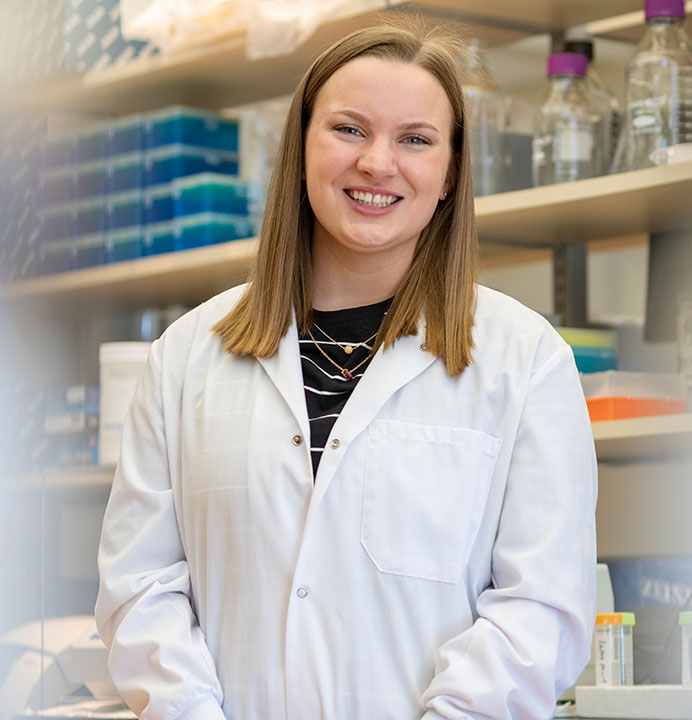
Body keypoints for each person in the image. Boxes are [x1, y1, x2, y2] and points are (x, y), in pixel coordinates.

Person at [95, 21, 597, 720]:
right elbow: (140, 588)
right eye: (349, 129)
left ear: (450, 173)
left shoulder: (525, 360)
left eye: (415, 139)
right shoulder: (186, 356)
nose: (378, 163)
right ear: (300, 149)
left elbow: (540, 608)